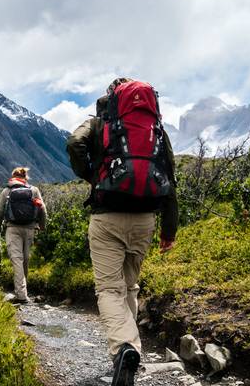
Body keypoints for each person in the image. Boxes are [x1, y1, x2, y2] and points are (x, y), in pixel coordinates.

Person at [66, 78, 178, 386]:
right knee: (130, 286)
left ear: (111, 98)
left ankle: (124, 348)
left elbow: (74, 144)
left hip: (107, 216)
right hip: (145, 219)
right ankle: (132, 351)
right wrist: (170, 228)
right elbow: (168, 175)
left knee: (108, 290)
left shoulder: (100, 122)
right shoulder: (155, 128)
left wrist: (92, 175)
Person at [0, 167, 47, 304]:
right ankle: (23, 291)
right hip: (30, 229)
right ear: (26, 177)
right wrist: (42, 227)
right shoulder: (33, 190)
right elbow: (43, 210)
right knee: (25, 260)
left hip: (12, 229)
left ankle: (21, 295)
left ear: (13, 177)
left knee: (17, 260)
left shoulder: (7, 191)